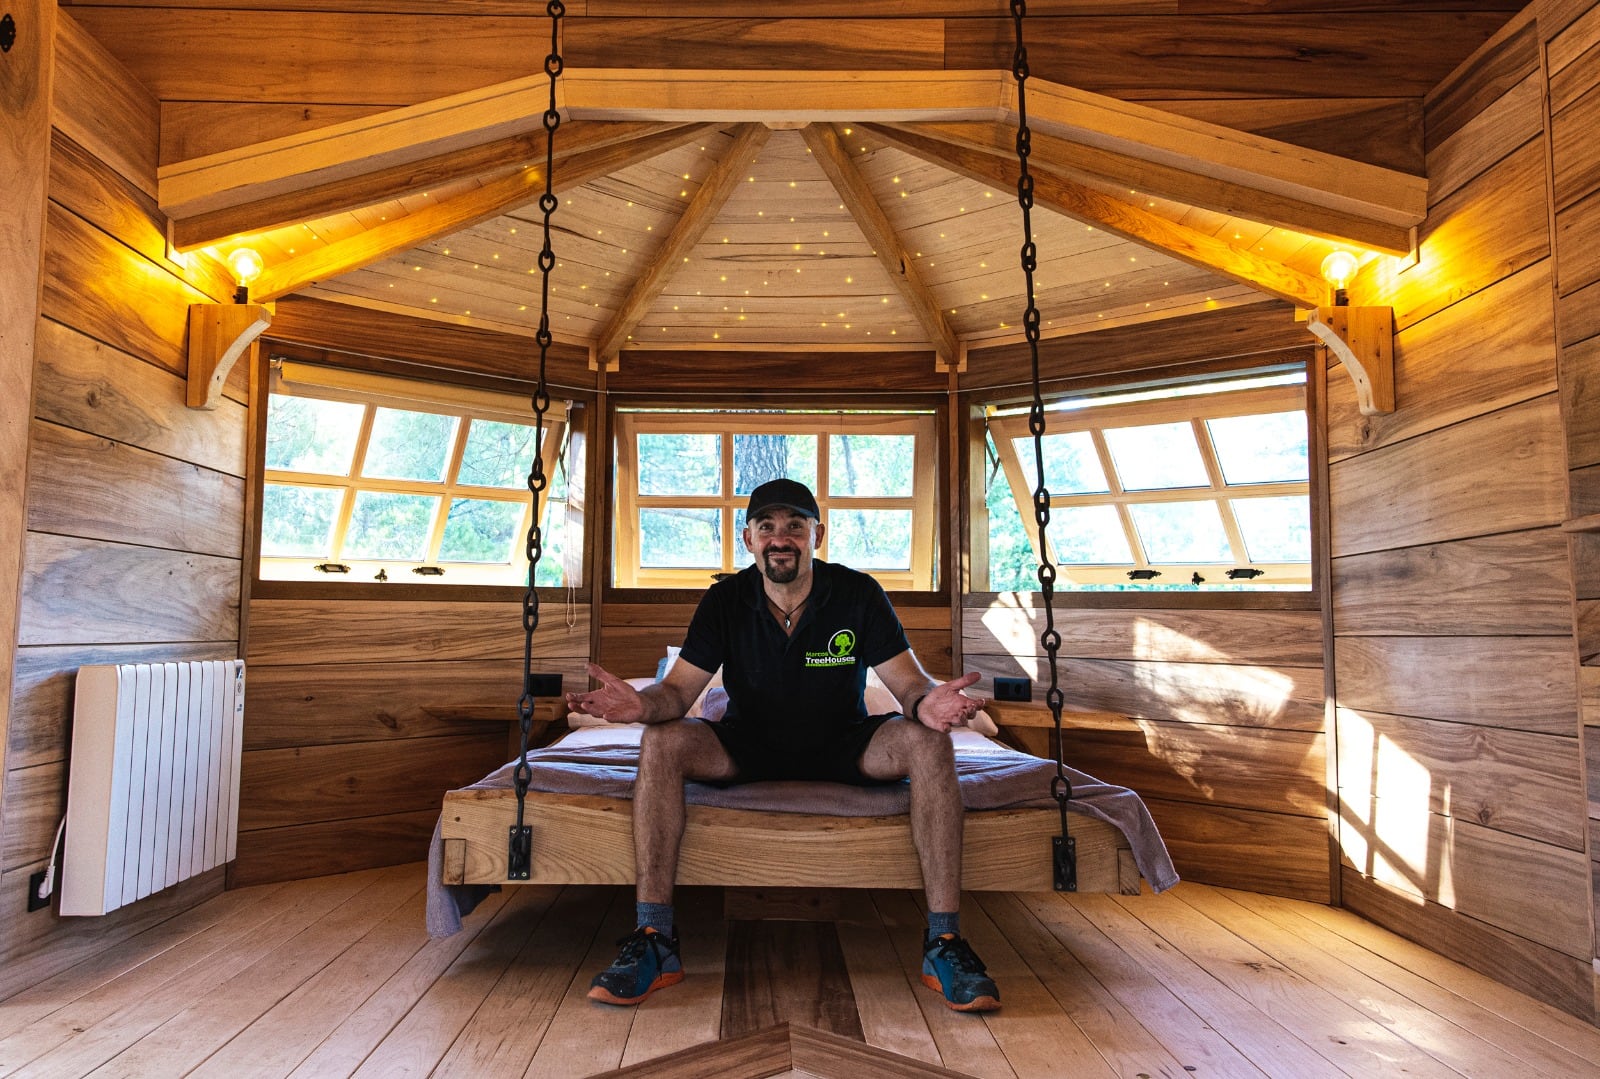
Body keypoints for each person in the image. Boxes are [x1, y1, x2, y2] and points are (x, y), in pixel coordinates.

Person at [566, 477, 1001, 1013]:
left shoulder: (858, 594)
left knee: (930, 743)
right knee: (662, 741)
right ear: (747, 539)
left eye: (795, 526)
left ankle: (944, 942)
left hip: (845, 743)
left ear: (817, 534)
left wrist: (926, 705)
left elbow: (909, 685)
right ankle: (656, 939)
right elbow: (678, 692)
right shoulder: (725, 600)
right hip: (748, 744)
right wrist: (640, 706)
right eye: (766, 527)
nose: (781, 538)